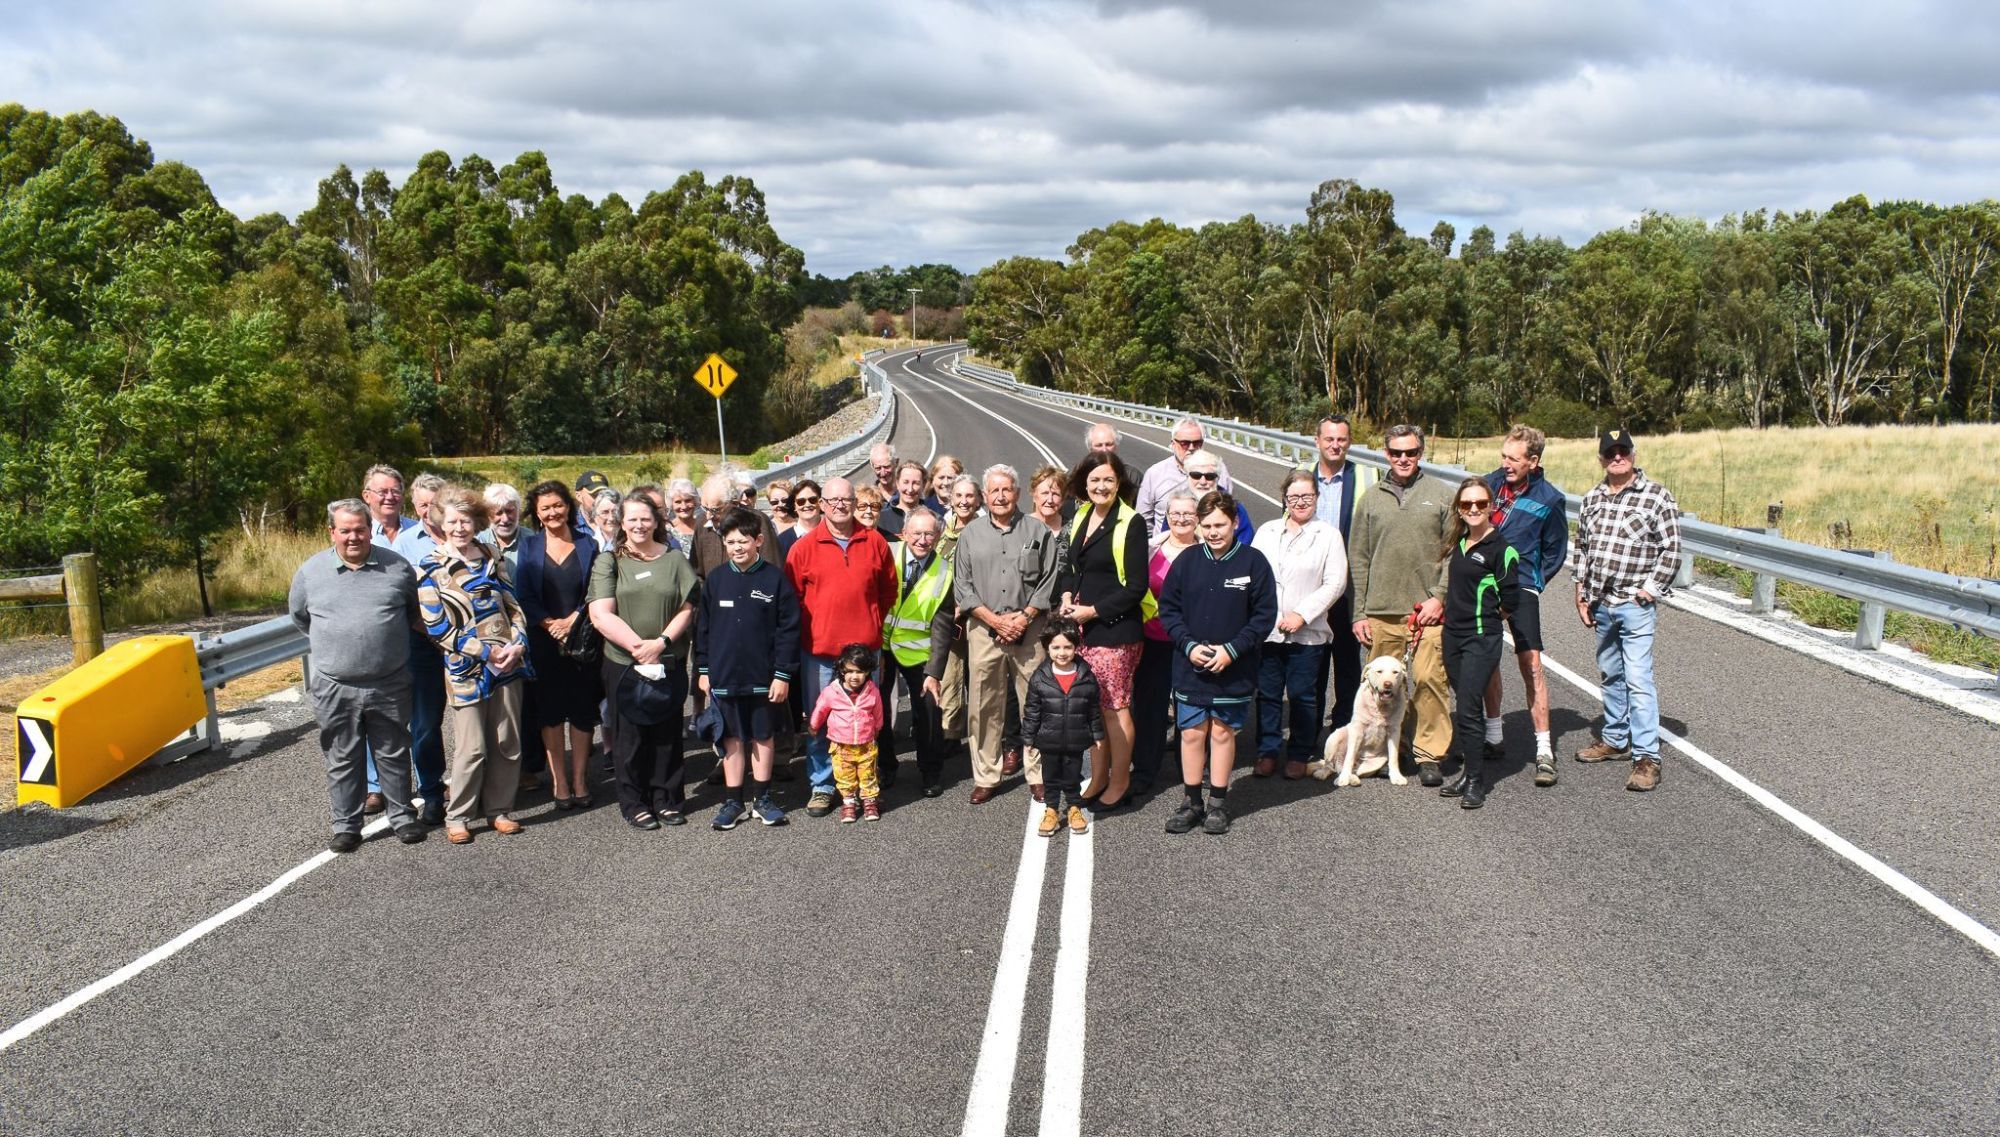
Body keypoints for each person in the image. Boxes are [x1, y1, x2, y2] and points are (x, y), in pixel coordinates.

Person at [288, 499, 428, 852]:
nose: (354, 537)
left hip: (390, 680)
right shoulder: (310, 572)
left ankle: (402, 817)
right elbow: (301, 618)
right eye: (345, 530)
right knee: (342, 756)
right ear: (332, 532)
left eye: (360, 529)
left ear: (370, 530)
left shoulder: (396, 568)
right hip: (335, 686)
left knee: (393, 751)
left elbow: (412, 612)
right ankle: (346, 825)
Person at [417, 487, 532, 844]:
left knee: (506, 741)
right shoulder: (431, 567)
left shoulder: (491, 554)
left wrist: (519, 642)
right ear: (441, 523)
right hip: (466, 670)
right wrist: (484, 652)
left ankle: (499, 809)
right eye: (452, 521)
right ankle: (460, 815)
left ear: (476, 522)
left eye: (466, 520)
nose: (460, 527)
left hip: (508, 664)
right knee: (472, 747)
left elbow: (513, 605)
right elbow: (436, 628)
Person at [1159, 490, 1277, 836]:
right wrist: (1189, 645)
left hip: (1234, 667)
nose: (1213, 532)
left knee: (1223, 734)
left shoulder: (1254, 562)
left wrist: (1231, 651)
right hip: (1190, 665)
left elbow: (1263, 617)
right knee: (1192, 734)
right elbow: (1169, 610)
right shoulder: (1187, 561)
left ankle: (1218, 804)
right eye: (1207, 525)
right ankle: (1191, 801)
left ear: (1235, 523)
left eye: (1220, 525)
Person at [1573, 428, 1680, 793]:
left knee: (1638, 678)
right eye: (1610, 452)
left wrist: (1649, 591)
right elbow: (1583, 548)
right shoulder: (1592, 499)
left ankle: (1647, 757)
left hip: (1635, 603)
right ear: (1601, 458)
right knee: (1610, 674)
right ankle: (1615, 739)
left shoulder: (1656, 497)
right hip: (1602, 602)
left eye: (1623, 451)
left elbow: (1671, 550)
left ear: (1633, 454)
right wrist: (1581, 592)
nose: (1617, 456)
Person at [1348, 425, 1456, 786]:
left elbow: (1452, 552)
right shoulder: (1371, 498)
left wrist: (1439, 597)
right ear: (1386, 454)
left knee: (1428, 680)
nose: (1403, 459)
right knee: (1383, 688)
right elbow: (1359, 557)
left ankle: (1429, 755)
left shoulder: (1441, 494)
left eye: (1410, 452)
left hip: (1426, 612)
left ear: (1421, 453)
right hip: (1380, 612)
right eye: (1396, 452)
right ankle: (1396, 749)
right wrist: (1359, 612)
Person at [785, 476, 898, 817]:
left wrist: (871, 621)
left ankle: (865, 782)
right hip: (820, 653)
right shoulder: (803, 548)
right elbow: (794, 600)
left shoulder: (874, 541)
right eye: (832, 500)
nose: (839, 505)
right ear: (822, 505)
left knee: (865, 719)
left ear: (854, 501)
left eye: (846, 499)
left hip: (865, 653)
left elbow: (887, 590)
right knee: (821, 720)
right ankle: (822, 784)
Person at [588, 494, 701, 829]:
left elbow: (687, 607)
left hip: (668, 659)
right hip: (623, 662)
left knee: (666, 732)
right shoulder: (609, 561)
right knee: (630, 735)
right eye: (632, 519)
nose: (639, 525)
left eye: (645, 519)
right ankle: (634, 802)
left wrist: (661, 643)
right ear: (622, 523)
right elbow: (599, 614)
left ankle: (667, 798)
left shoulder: (674, 559)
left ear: (657, 522)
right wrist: (639, 647)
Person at [954, 464, 1061, 804]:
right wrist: (996, 621)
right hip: (985, 630)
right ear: (985, 497)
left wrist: (1024, 617)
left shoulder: (1037, 531)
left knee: (1036, 702)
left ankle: (1038, 773)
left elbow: (1048, 580)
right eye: (994, 491)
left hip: (1028, 632)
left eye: (1006, 490)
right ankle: (987, 774)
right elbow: (963, 586)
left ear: (1017, 493)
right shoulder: (970, 535)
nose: (1000, 496)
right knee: (984, 705)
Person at [1055, 451, 1149, 813]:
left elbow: (1136, 587)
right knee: (1092, 710)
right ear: (1084, 483)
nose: (1101, 486)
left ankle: (1120, 780)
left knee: (1115, 708)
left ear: (1119, 483)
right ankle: (1097, 777)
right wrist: (1066, 595)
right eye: (1094, 480)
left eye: (1108, 480)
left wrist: (1092, 611)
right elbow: (1071, 568)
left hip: (1114, 630)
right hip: (1083, 627)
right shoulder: (1081, 515)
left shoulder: (1132, 522)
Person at [694, 506, 798, 829]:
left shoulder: (774, 580)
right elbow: (704, 629)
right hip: (724, 677)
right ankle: (733, 800)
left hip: (764, 679)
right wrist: (703, 668)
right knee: (732, 740)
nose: (737, 547)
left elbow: (788, 630)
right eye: (731, 542)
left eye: (743, 541)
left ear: (758, 541)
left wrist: (782, 674)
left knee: (763, 737)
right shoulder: (716, 580)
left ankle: (763, 799)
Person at [1481, 424, 1568, 786]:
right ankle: (1494, 734)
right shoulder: (1489, 484)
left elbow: (1555, 551)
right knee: (1486, 660)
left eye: (1514, 459)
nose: (1506, 464)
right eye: (1503, 456)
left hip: (1522, 587)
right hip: (1484, 584)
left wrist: (1533, 581)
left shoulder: (1550, 499)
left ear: (1533, 461)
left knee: (1531, 665)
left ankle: (1544, 750)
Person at [1251, 468, 1348, 780]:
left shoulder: (1329, 535)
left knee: (1303, 694)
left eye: (1307, 496)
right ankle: (1267, 750)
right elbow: (1253, 575)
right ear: (1284, 499)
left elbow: (1335, 584)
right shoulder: (1266, 531)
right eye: (1294, 496)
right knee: (1267, 694)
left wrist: (1302, 615)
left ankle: (1299, 752)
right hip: (1268, 630)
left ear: (1317, 498)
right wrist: (1261, 614)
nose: (1301, 502)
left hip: (1308, 633)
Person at [1436, 477, 1520, 810]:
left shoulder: (1502, 549)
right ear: (1459, 508)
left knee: (1469, 707)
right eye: (1467, 504)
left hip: (1481, 638)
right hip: (1452, 635)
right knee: (1465, 704)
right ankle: (1467, 775)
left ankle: (1475, 781)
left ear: (1491, 507)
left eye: (1481, 504)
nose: (1474, 509)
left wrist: (1484, 622)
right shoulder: (1458, 542)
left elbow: (1510, 600)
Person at [517, 480, 601, 808]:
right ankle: (560, 782)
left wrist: (573, 620)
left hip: (582, 638)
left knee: (581, 711)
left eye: (558, 505)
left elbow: (595, 590)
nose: (553, 512)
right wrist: (550, 623)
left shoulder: (588, 544)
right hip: (544, 639)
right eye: (545, 508)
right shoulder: (529, 546)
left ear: (568, 506)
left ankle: (580, 780)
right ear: (537, 514)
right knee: (550, 713)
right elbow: (523, 592)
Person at [1130, 490, 1200, 795]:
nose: (1181, 519)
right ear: (1166, 517)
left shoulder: (1207, 551)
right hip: (1155, 640)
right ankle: (1145, 769)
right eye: (1175, 514)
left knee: (1192, 707)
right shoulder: (1150, 550)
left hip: (1193, 643)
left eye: (1188, 514)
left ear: (1197, 518)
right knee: (1150, 708)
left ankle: (1193, 770)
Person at [1310, 415, 1374, 745]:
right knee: (1314, 660)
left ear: (1349, 442)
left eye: (1342, 440)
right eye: (1329, 439)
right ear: (1317, 441)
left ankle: (1344, 728)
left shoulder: (1365, 476)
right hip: (1313, 587)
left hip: (1350, 585)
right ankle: (1311, 730)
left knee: (1348, 661)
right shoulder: (1303, 478)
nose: (1336, 445)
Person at [884, 509, 954, 796]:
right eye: (916, 533)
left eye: (929, 534)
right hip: (882, 647)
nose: (922, 540)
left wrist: (934, 672)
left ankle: (930, 771)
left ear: (938, 537)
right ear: (904, 533)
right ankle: (885, 766)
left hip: (918, 651)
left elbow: (943, 625)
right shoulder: (887, 553)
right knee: (877, 711)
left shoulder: (945, 571)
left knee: (928, 711)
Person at [1022, 618, 1102, 837]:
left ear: (1076, 646)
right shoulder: (1040, 678)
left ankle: (1075, 807)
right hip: (1048, 738)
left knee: (1072, 775)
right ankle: (1051, 809)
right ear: (1047, 648)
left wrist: (1097, 734)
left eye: (1068, 646)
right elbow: (1032, 710)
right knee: (1050, 778)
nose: (1062, 652)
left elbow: (1093, 709)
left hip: (1076, 738)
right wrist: (1028, 738)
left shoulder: (1086, 676)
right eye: (1056, 647)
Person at [810, 643, 887, 823]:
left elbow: (878, 712)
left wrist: (877, 728)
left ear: (868, 672)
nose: (854, 676)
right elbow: (821, 709)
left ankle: (869, 803)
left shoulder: (872, 691)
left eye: (859, 672)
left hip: (866, 745)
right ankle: (849, 804)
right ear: (842, 670)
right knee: (845, 777)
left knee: (868, 774)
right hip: (840, 745)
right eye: (850, 671)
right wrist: (814, 725)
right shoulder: (832, 691)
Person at [1135, 417, 1230, 531]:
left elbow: (1230, 511)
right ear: (1173, 443)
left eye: (1197, 443)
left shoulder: (1218, 470)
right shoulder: (1155, 473)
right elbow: (1143, 520)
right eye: (1185, 443)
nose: (1191, 448)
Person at [1180, 450, 1254, 545]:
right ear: (1188, 477)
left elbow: (1245, 543)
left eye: (1209, 476)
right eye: (1196, 475)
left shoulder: (1234, 508)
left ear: (1217, 478)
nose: (1203, 482)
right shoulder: (1178, 504)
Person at [363, 464, 416, 547]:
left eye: (395, 491)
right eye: (382, 492)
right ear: (366, 496)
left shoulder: (417, 530)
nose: (390, 497)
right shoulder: (358, 534)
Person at [778, 479, 822, 558]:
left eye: (812, 500)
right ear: (794, 506)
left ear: (820, 502)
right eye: (801, 501)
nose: (807, 505)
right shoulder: (782, 541)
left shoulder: (835, 533)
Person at [884, 460, 928, 535]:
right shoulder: (882, 518)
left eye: (916, 483)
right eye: (906, 482)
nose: (910, 489)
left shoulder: (933, 518)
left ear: (923, 486)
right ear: (897, 483)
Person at [663, 479, 701, 558]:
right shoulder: (666, 532)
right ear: (671, 504)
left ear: (695, 501)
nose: (683, 506)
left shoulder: (703, 527)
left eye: (688, 501)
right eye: (678, 502)